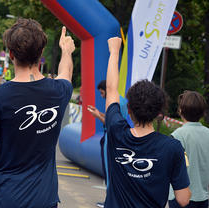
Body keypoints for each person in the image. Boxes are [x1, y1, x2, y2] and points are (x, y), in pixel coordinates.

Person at [0, 19, 75, 208]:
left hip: (4, 199)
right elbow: (65, 72)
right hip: (44, 200)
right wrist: (66, 51)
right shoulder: (59, 91)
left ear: (10, 54)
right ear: (41, 53)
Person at [103, 37, 191, 207]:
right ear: (159, 112)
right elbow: (183, 199)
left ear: (128, 109)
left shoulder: (116, 130)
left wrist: (114, 52)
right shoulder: (172, 147)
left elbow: (111, 89)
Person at [87, 80, 128, 208]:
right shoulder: (121, 101)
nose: (101, 95)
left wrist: (96, 116)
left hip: (111, 139)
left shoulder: (114, 102)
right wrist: (98, 113)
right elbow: (113, 119)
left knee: (109, 171)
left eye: (102, 92)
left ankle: (109, 201)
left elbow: (111, 123)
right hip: (116, 139)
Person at [168, 91, 209, 208]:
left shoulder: (176, 136)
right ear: (202, 112)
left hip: (179, 198)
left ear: (180, 110)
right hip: (203, 198)